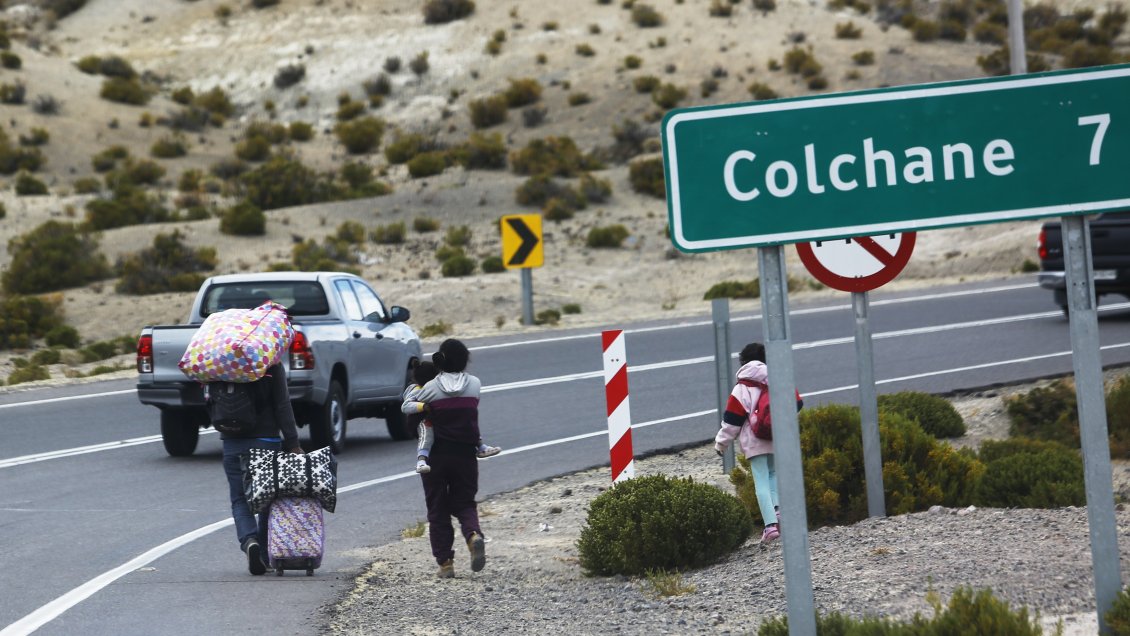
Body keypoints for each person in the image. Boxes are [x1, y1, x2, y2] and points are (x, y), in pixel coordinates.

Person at [407, 338, 490, 578]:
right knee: (464, 502)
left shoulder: (429, 389)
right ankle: (473, 535)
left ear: (439, 360)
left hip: (435, 457)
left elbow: (412, 420)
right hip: (465, 454)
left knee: (437, 508)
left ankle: (445, 563)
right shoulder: (475, 384)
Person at [217, 363, 303, 575]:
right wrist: (293, 443)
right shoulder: (271, 363)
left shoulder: (219, 362)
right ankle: (264, 555)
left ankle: (249, 540)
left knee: (239, 498)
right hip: (266, 440)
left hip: (232, 440)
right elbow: (282, 405)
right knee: (268, 498)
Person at [714, 342, 784, 543]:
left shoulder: (742, 388)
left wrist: (721, 443)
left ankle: (770, 526)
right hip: (774, 435)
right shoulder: (777, 379)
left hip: (754, 440)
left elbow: (732, 421)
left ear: (743, 362)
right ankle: (777, 510)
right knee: (773, 474)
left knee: (760, 480)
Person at [403, 360, 501, 474]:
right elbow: (405, 406)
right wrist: (423, 406)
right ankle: (421, 461)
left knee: (464, 419)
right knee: (427, 434)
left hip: (437, 416)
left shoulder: (435, 387)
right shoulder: (416, 390)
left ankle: (481, 447)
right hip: (422, 419)